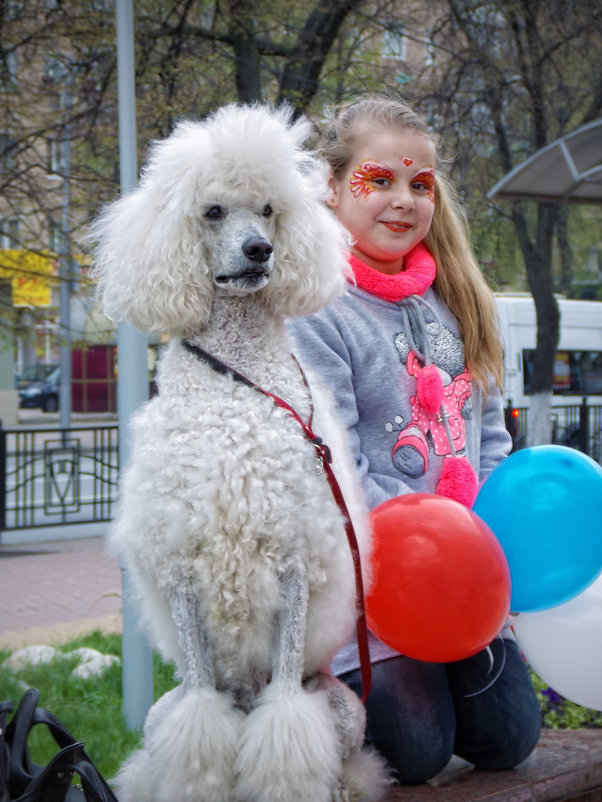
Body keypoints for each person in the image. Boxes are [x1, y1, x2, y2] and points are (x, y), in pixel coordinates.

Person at [289, 95, 542, 784]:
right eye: (380, 180)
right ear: (334, 187)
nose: (403, 200)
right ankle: (310, 691)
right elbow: (338, 464)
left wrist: (479, 543)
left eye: (420, 184)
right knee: (416, 751)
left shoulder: (456, 298)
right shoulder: (317, 308)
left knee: (511, 739)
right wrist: (428, 553)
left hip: (463, 577)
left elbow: (488, 433)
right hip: (380, 588)